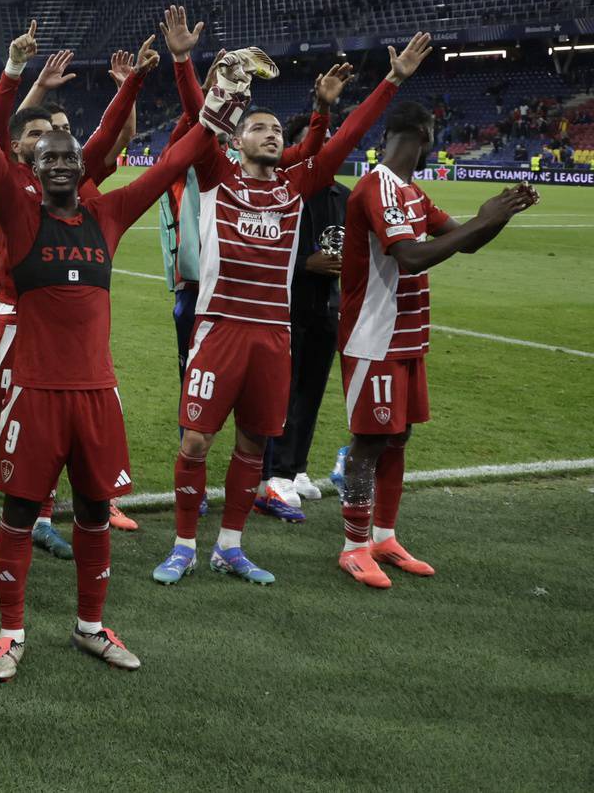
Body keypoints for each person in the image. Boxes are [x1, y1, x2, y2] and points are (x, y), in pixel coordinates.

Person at [0, 24, 213, 681]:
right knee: (18, 511)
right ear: (34, 170)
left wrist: (216, 114)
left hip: (97, 393)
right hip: (37, 393)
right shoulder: (19, 218)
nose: (62, 163)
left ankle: (90, 626)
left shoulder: (108, 213)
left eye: (71, 157)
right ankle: (10, 633)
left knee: (96, 511)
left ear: (85, 167)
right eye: (49, 158)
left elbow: (169, 164)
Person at [152, 37, 424, 588]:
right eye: (260, 127)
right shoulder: (216, 175)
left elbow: (346, 138)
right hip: (220, 329)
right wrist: (184, 63)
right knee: (197, 441)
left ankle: (230, 546)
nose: (273, 134)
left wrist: (390, 81)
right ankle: (183, 544)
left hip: (274, 336)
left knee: (254, 443)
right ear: (236, 139)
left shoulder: (295, 187)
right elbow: (196, 117)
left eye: (278, 129)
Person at [0, 29, 154, 563]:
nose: (54, 142)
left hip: (69, 322)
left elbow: (112, 143)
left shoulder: (76, 187)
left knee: (55, 422)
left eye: (61, 136)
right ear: (27, 146)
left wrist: (130, 88)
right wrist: (20, 78)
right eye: (43, 136)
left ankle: (42, 517)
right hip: (12, 313)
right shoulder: (11, 185)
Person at [335, 104, 538, 588]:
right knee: (369, 442)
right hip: (373, 338)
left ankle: (384, 536)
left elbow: (461, 242)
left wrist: (498, 215)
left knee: (399, 436)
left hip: (407, 336)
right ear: (424, 135)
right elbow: (408, 257)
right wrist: (481, 219)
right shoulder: (377, 186)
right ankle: (353, 547)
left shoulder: (411, 192)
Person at [257, 113, 349, 514]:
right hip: (285, 304)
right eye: (318, 139)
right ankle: (273, 471)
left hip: (327, 305)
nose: (327, 144)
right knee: (282, 392)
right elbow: (262, 251)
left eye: (332, 138)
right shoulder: (285, 193)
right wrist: (304, 265)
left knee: (310, 392)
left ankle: (296, 468)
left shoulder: (343, 197)